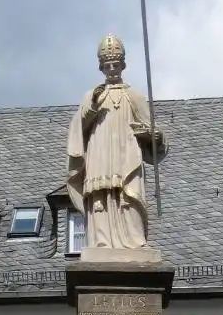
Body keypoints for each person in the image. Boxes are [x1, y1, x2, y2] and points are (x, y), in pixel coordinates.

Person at [66, 34, 167, 250]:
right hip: (100, 152)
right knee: (99, 197)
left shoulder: (134, 96)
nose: (112, 69)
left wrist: (155, 137)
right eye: (107, 66)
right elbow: (78, 129)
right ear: (101, 68)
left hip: (127, 153)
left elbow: (152, 129)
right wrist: (92, 106)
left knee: (128, 196)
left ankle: (135, 242)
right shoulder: (93, 95)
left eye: (115, 65)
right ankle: (101, 242)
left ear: (123, 65)